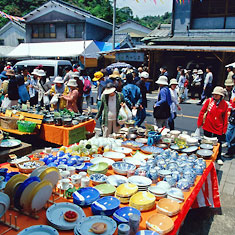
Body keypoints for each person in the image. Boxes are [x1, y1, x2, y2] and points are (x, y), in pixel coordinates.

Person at [197, 86, 228, 165]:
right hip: (208, 125)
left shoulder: (224, 104)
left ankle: (218, 157)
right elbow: (202, 112)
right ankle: (205, 156)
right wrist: (199, 123)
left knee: (218, 143)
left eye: (217, 94)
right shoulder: (209, 101)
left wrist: (224, 129)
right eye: (214, 94)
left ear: (221, 95)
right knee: (206, 141)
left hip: (218, 126)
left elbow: (225, 118)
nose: (215, 96)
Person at [93, 71, 105, 136]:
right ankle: (102, 130)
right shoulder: (101, 83)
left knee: (100, 117)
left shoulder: (102, 83)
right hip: (99, 100)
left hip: (101, 100)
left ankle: (103, 131)